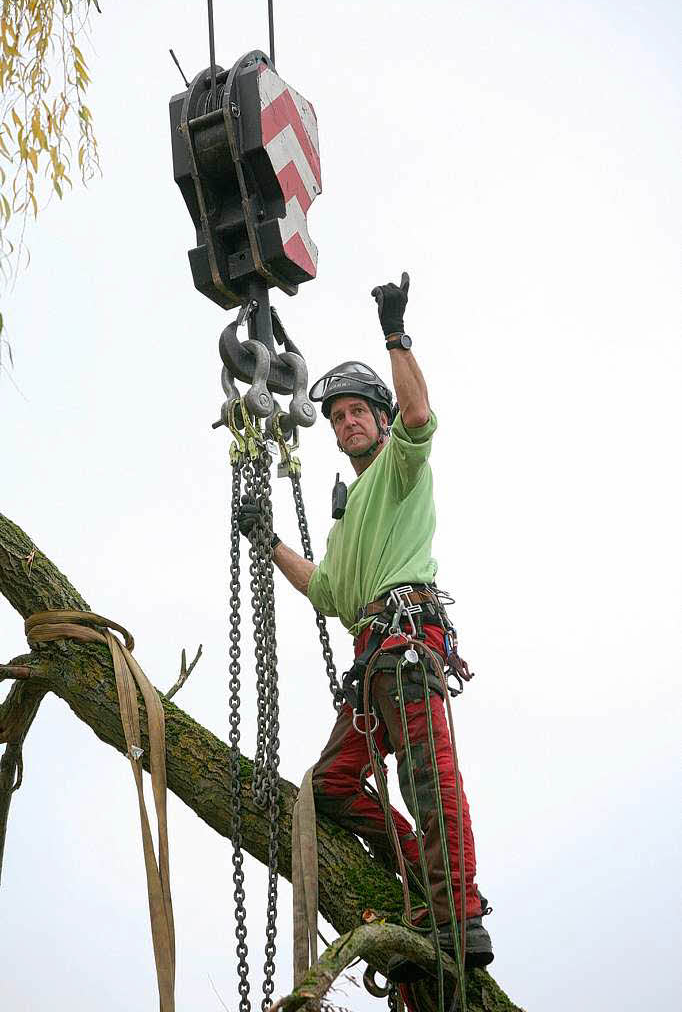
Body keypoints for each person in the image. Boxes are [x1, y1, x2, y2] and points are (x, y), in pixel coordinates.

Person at [239, 273, 493, 980]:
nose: (349, 422)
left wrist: (395, 332)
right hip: (373, 661)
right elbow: (325, 590)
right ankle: (420, 878)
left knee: (427, 773)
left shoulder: (400, 469)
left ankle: (456, 910)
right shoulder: (348, 524)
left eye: (359, 412)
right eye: (340, 416)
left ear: (378, 421)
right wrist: (269, 542)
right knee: (332, 789)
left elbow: (419, 416)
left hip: (407, 644)